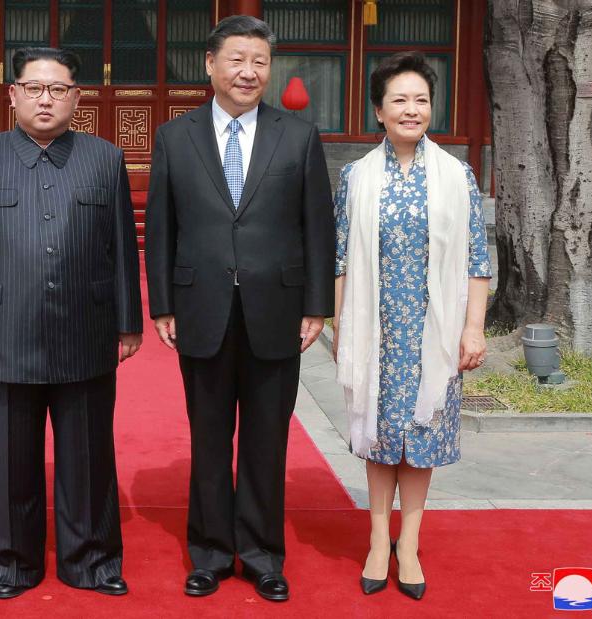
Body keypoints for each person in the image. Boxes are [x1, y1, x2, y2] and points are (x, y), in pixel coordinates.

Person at [0, 47, 143, 600]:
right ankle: (12, 564)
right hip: (8, 332)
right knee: (9, 461)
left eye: (58, 89)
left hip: (87, 329)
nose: (45, 98)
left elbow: (122, 247)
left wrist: (130, 323)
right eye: (34, 88)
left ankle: (92, 562)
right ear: (13, 95)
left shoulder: (104, 158)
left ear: (77, 97)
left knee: (88, 457)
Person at [144, 15, 335, 603]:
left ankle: (261, 555)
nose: (249, 72)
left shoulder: (297, 136)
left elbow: (317, 228)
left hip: (275, 309)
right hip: (200, 308)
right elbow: (162, 226)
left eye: (259, 61)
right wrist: (163, 304)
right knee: (208, 438)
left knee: (266, 439)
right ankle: (208, 554)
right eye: (237, 59)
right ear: (210, 65)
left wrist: (317, 305)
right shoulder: (176, 137)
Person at [332, 51, 492, 601]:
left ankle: (410, 545)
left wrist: (473, 328)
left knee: (420, 439)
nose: (411, 109)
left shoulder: (456, 175)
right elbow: (342, 262)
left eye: (421, 99)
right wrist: (340, 332)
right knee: (379, 437)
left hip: (434, 331)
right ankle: (379, 540)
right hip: (376, 331)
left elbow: (477, 260)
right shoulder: (356, 176)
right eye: (399, 100)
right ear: (379, 110)